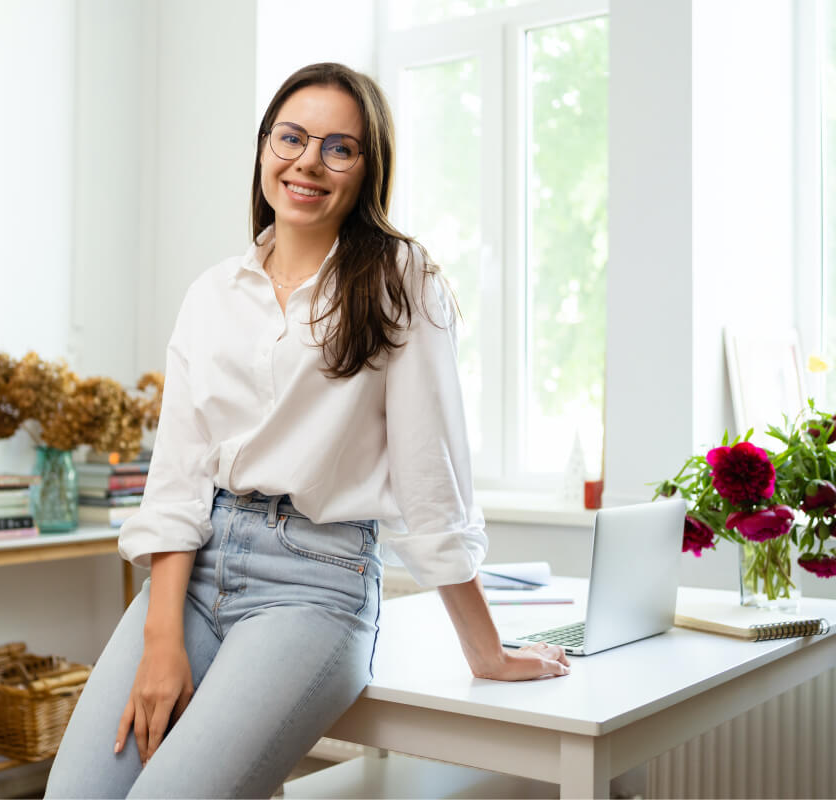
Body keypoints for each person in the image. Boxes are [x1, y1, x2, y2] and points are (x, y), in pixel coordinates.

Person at [45, 62, 570, 799]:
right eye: (290, 137)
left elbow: (431, 475)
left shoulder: (400, 279)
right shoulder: (212, 294)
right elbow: (179, 477)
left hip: (316, 582)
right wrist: (161, 638)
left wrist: (483, 649)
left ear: (366, 168)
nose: (308, 162)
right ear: (264, 147)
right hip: (193, 573)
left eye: (339, 147)